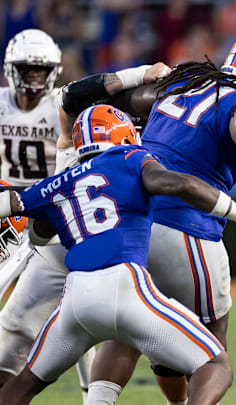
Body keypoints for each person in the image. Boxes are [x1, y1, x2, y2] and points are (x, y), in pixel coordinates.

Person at [60, 38, 236, 404]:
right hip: (187, 227)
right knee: (212, 351)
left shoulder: (180, 84)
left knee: (126, 326)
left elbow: (114, 107)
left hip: (129, 218)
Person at [0, 103, 236, 404]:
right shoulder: (129, 157)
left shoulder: (57, 184)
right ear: (125, 134)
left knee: (26, 383)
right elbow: (179, 184)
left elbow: (21, 216)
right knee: (215, 364)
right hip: (125, 286)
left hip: (75, 302)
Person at [0, 28, 98, 401]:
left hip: (49, 215)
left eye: (41, 71)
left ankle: (93, 393)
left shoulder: (63, 106)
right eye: (28, 70)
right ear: (12, 69)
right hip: (9, 214)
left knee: (74, 303)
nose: (34, 79)